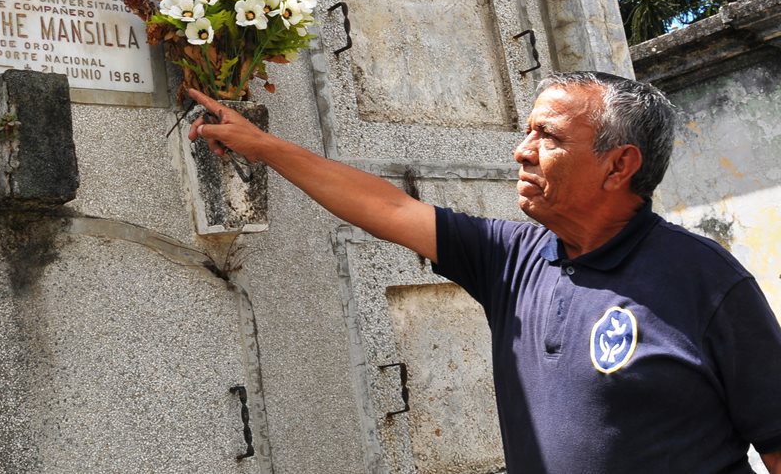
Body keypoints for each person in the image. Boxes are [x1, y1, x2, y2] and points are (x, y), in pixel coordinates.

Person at [188, 71, 781, 474]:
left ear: (619, 164)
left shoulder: (704, 281)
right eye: (526, 131)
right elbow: (388, 208)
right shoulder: (513, 259)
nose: (522, 150)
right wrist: (262, 146)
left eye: (547, 135)